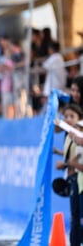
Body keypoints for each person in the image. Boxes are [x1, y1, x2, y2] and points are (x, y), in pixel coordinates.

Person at [54, 103, 83, 246]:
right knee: (75, 217)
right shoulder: (69, 136)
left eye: (72, 116)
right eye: (65, 116)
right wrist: (59, 153)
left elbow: (77, 159)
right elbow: (71, 156)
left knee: (77, 217)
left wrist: (65, 164)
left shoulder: (79, 136)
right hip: (73, 178)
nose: (68, 119)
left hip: (78, 179)